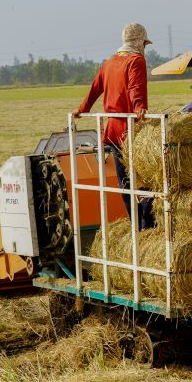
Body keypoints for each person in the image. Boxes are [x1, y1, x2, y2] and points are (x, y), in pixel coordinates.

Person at [73, 22, 155, 230]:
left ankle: (135, 225)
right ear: (139, 42)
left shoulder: (109, 62)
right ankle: (147, 225)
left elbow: (95, 87)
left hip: (112, 130)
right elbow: (135, 86)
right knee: (147, 177)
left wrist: (82, 108)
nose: (144, 48)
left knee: (125, 182)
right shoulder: (136, 60)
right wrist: (140, 107)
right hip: (130, 129)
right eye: (144, 44)